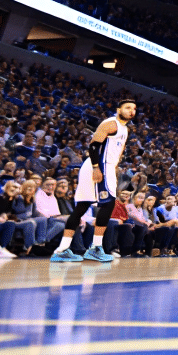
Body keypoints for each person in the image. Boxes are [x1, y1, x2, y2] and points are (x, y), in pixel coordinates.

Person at [51, 99, 136, 263]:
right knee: (108, 204)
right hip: (99, 165)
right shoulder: (111, 123)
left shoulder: (125, 129)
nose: (131, 111)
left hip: (105, 166)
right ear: (119, 109)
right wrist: (97, 168)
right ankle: (96, 248)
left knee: (82, 207)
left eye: (133, 108)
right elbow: (93, 146)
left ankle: (62, 249)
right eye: (127, 108)